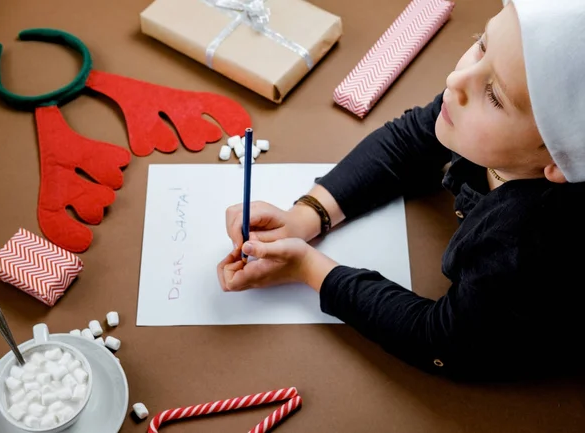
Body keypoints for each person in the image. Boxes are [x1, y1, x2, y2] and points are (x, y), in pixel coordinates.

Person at [217, 0, 585, 382]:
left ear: (560, 159)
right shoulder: (491, 119)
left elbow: (442, 340)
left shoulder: (530, 244)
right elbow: (408, 142)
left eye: (494, 96)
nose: (455, 81)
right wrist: (306, 216)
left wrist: (309, 268)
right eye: (482, 44)